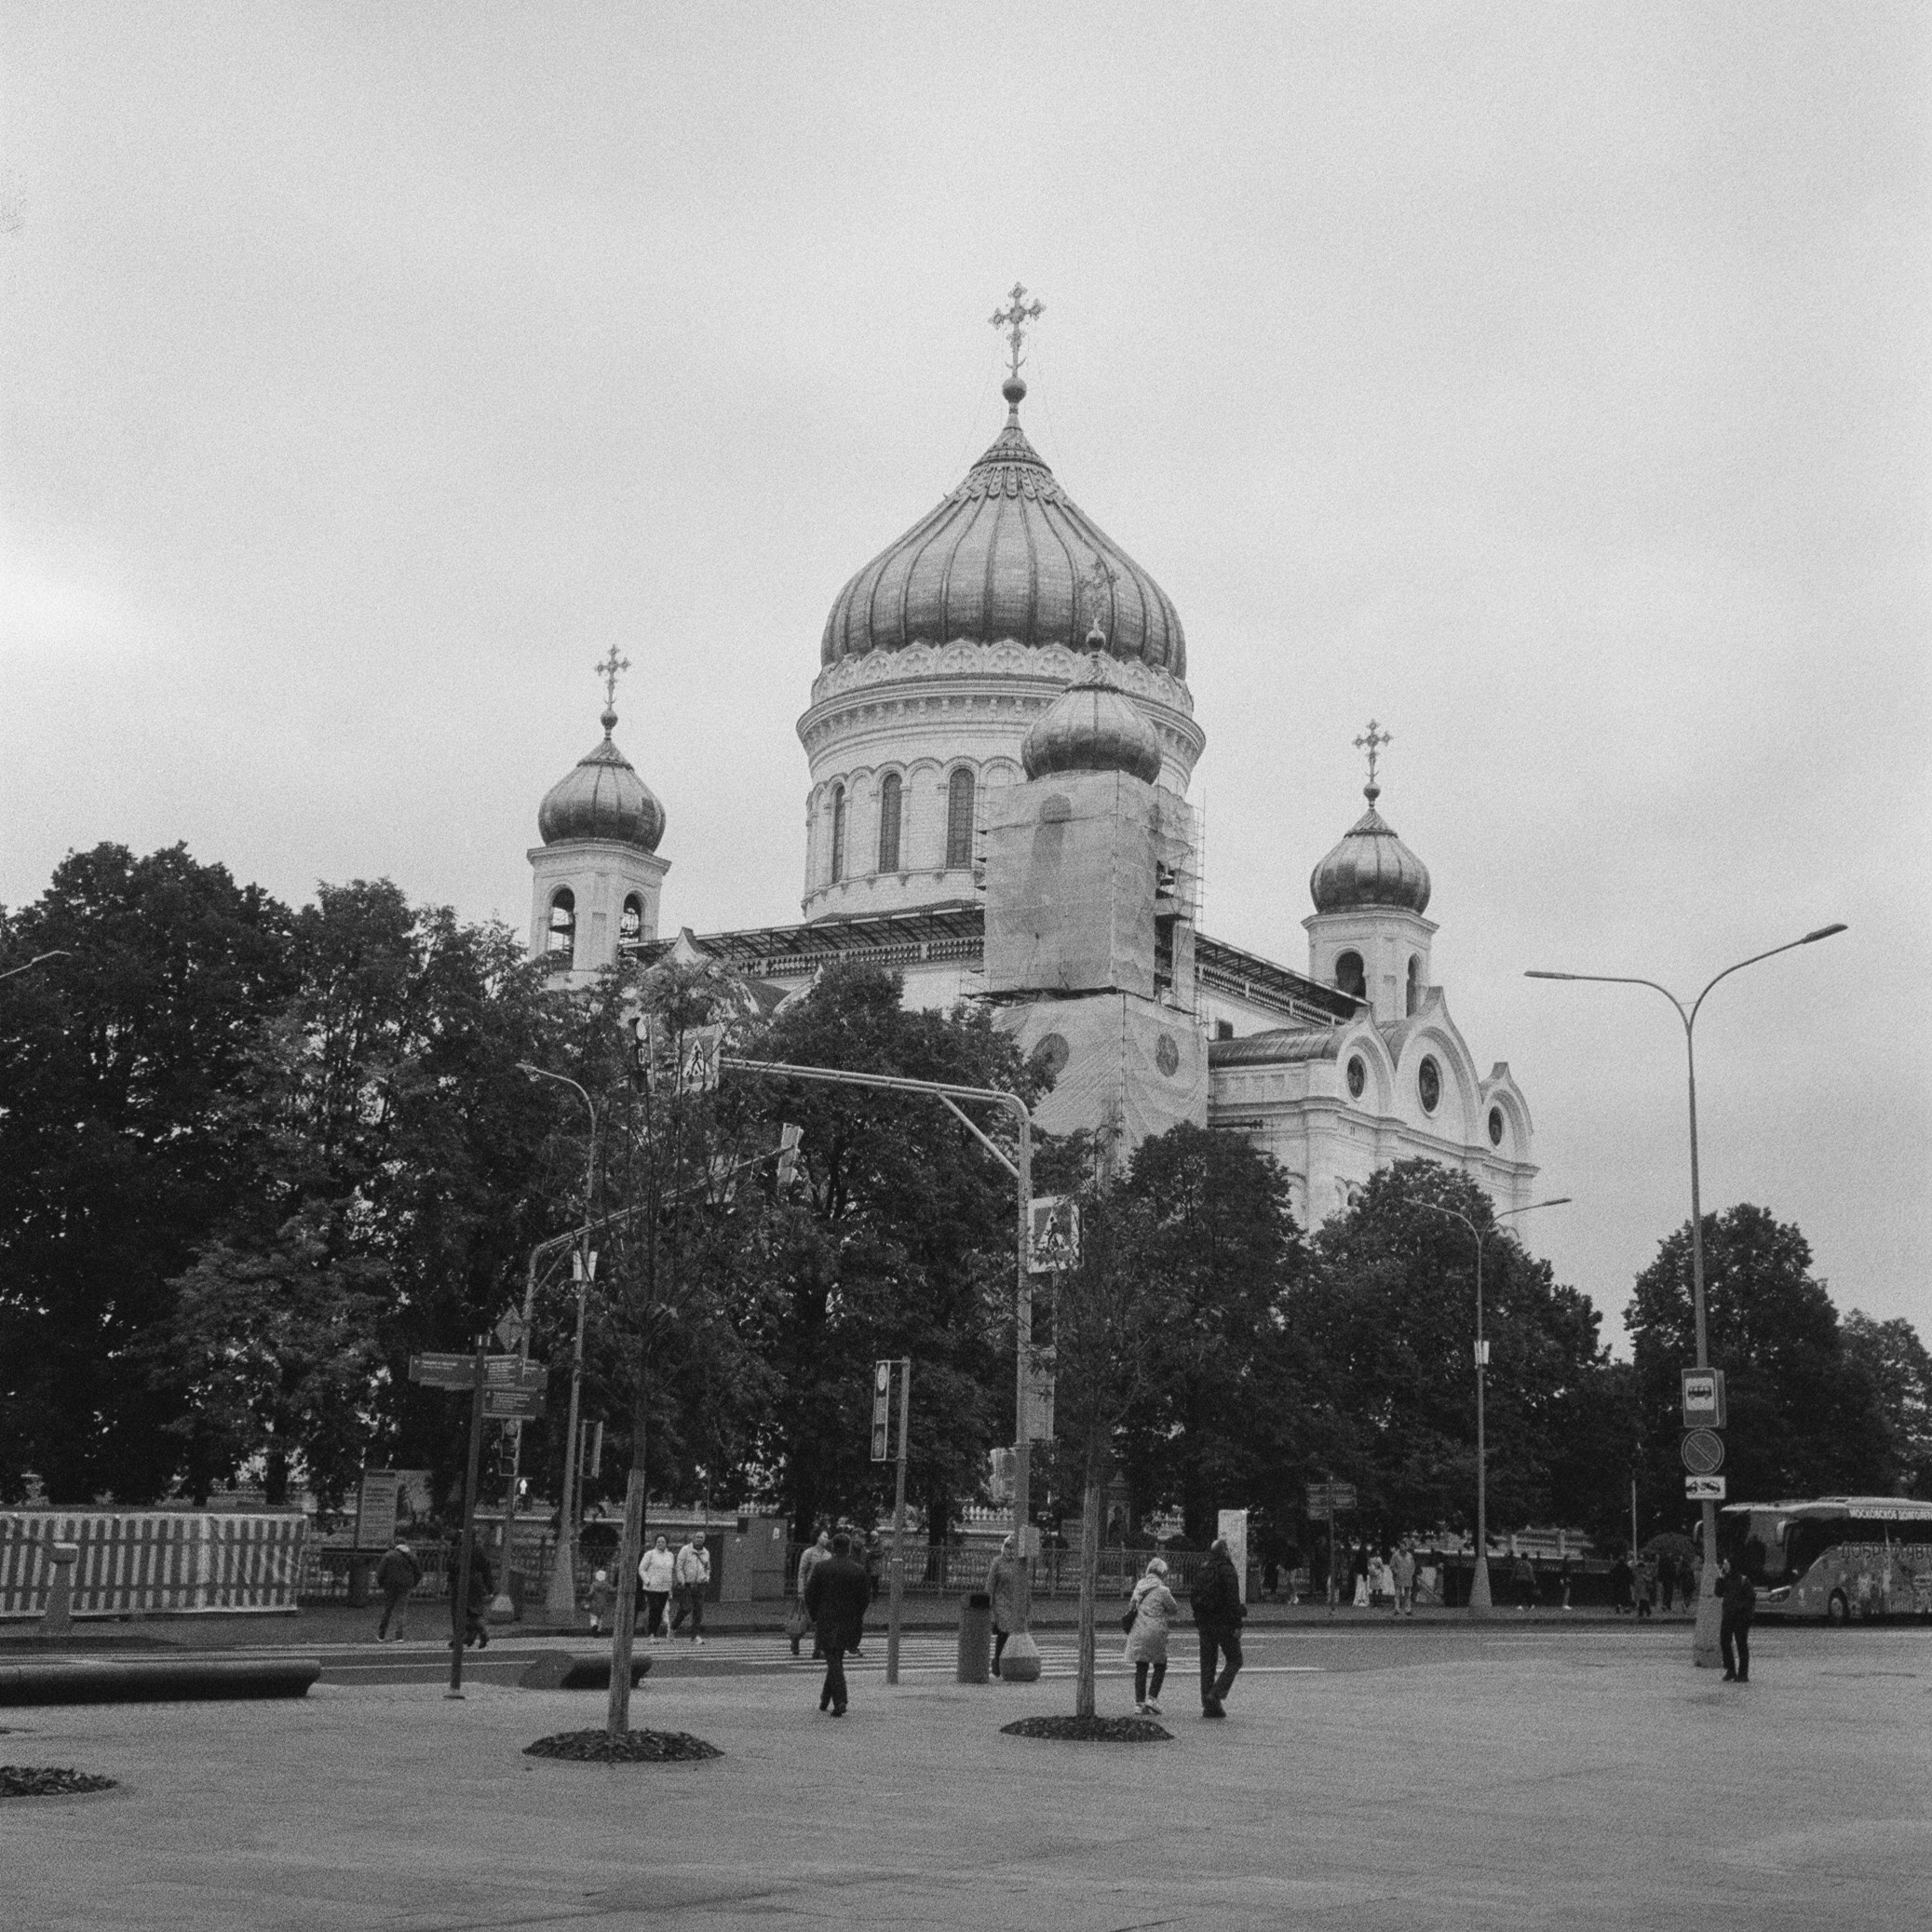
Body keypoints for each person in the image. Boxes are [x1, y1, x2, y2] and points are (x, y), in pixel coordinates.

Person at [803, 1532, 870, 1716]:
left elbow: (810, 1594)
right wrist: (857, 1616)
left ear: (832, 1547)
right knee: (836, 1658)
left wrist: (815, 1615)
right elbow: (865, 1598)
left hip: (827, 1619)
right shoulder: (858, 1570)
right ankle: (825, 1698)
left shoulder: (822, 1568)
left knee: (833, 1659)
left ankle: (840, 1701)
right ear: (848, 1548)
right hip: (849, 1621)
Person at [1190, 1535, 1246, 1719]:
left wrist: (1198, 1619)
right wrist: (1237, 1623)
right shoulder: (1227, 1570)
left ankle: (1208, 1706)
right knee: (1235, 1659)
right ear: (1224, 1551)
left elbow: (1193, 1596)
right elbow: (1232, 1599)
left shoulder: (1203, 1569)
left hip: (1205, 1623)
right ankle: (1216, 1693)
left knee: (1207, 1664)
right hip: (1223, 1622)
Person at [1123, 1556, 1181, 1714]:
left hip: (1138, 1630)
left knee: (1141, 1666)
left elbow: (1131, 1607)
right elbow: (1174, 1608)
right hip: (1155, 1631)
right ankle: (1152, 1698)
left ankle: (1139, 1703)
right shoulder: (1163, 1591)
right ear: (1162, 1574)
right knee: (1160, 1664)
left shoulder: (1139, 1587)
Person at [986, 1534, 1021, 1676]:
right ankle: (998, 1663)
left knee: (1010, 1634)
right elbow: (990, 1584)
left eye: (1014, 1549)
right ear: (1004, 1548)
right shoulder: (997, 1562)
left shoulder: (1018, 1564)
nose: (1011, 1551)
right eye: (1009, 1548)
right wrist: (988, 1603)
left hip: (1013, 1603)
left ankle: (1003, 1662)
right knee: (1004, 1632)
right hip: (1000, 1603)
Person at [792, 1530, 831, 1656]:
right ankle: (796, 1638)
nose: (826, 1539)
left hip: (823, 1592)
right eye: (824, 1536)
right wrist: (800, 1591)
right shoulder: (808, 1553)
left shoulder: (828, 1555)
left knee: (821, 1621)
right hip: (809, 1590)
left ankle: (818, 1648)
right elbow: (802, 1572)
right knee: (804, 1619)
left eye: (827, 1537)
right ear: (817, 1537)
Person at [374, 1535, 420, 1642]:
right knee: (401, 1611)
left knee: (387, 1609)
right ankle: (399, 1636)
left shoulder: (388, 1555)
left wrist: (381, 1583)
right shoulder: (412, 1556)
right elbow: (418, 1572)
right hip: (405, 1586)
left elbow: (381, 1572)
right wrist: (412, 1583)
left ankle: (381, 1634)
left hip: (390, 1586)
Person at [1720, 1555, 1755, 1683]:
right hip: (1728, 1617)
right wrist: (1720, 1578)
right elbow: (1718, 1592)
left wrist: (1739, 1608)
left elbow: (1751, 1598)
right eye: (1723, 1564)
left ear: (1732, 1565)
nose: (1724, 1566)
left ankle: (1743, 1673)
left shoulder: (1743, 1580)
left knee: (1741, 1645)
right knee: (1724, 1642)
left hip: (1740, 1619)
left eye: (1726, 1564)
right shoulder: (1725, 1579)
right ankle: (1730, 1669)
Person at [670, 1533, 710, 1645]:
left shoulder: (706, 1552)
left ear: (704, 1540)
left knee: (698, 1611)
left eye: (701, 1538)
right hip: (687, 1584)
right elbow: (679, 1566)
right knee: (686, 1608)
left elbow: (707, 1567)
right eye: (697, 1537)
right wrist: (681, 1580)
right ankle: (673, 1628)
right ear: (693, 1538)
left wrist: (706, 1578)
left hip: (700, 1585)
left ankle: (695, 1636)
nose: (699, 1539)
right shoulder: (685, 1550)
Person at [637, 1533, 675, 1642]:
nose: (660, 1544)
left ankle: (655, 1632)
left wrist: (670, 1589)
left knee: (660, 1611)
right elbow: (641, 1569)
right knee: (654, 1609)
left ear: (666, 1543)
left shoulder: (670, 1555)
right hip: (652, 1588)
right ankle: (651, 1634)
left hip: (665, 1588)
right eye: (658, 1542)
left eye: (663, 1542)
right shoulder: (650, 1554)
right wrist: (648, 1581)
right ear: (655, 1543)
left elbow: (670, 1572)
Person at [461, 1538, 493, 1650]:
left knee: (470, 1611)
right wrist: (489, 1585)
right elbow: (486, 1567)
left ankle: (482, 1633)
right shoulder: (479, 1549)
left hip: (469, 1581)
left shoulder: (466, 1549)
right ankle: (471, 1636)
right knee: (470, 1612)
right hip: (477, 1580)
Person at [1390, 1542, 1416, 1618]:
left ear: (1406, 1547)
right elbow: (1392, 1565)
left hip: (1407, 1577)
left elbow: (1413, 1565)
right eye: (1401, 1546)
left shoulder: (1409, 1556)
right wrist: (1395, 1572)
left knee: (1407, 1595)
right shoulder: (1395, 1555)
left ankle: (1408, 1610)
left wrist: (1411, 1573)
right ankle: (1397, 1609)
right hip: (1398, 1577)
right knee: (1398, 1594)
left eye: (1403, 1546)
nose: (1402, 1548)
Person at [586, 1568, 615, 1634]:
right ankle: (599, 1630)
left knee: (593, 1616)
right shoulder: (606, 1585)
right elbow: (612, 1590)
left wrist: (587, 1597)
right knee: (600, 1617)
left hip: (594, 1603)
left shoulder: (594, 1584)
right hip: (603, 1603)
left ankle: (594, 1625)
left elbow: (591, 1593)